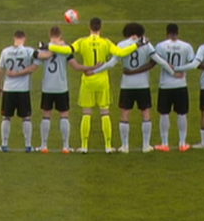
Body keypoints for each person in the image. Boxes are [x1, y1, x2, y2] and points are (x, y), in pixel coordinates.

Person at [47, 17, 142, 153]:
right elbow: (121, 53)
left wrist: (49, 46)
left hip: (87, 81)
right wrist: (136, 45)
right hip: (102, 82)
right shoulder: (106, 43)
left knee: (86, 113)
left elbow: (67, 50)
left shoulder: (82, 41)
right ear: (101, 27)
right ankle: (108, 146)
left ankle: (84, 146)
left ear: (89, 27)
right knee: (105, 113)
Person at [91, 23, 175, 153]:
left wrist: (95, 71)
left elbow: (111, 64)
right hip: (143, 84)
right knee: (146, 113)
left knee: (125, 114)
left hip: (127, 85)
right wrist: (173, 72)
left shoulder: (122, 45)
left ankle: (125, 146)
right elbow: (160, 61)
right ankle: (146, 145)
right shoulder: (146, 44)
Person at [34, 26, 97, 153]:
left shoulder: (44, 48)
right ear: (60, 35)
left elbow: (35, 64)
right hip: (62, 87)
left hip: (47, 87)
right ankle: (66, 146)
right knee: (64, 116)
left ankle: (44, 145)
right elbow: (76, 66)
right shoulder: (66, 49)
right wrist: (93, 67)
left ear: (50, 34)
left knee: (46, 115)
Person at [154, 23, 198, 152]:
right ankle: (183, 143)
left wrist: (172, 71)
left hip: (165, 85)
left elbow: (159, 62)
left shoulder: (160, 46)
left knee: (164, 114)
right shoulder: (186, 46)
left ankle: (165, 143)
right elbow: (193, 63)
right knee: (182, 114)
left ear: (167, 33)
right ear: (178, 32)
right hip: (181, 85)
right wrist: (180, 71)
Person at [0, 30, 40, 152]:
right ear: (24, 38)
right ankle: (28, 145)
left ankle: (4, 145)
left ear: (14, 38)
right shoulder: (28, 51)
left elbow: (0, 71)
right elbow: (34, 66)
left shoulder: (5, 51)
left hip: (8, 89)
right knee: (26, 117)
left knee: (6, 117)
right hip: (23, 89)